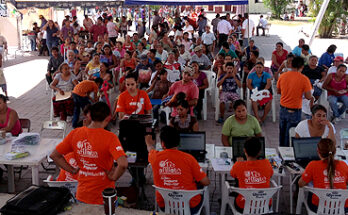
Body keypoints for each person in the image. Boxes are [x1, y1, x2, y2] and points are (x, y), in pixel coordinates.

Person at [50, 102, 128, 205]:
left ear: (90, 116)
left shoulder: (75, 133)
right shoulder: (110, 138)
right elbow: (123, 164)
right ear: (108, 119)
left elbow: (54, 155)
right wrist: (114, 177)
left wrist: (72, 170)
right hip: (105, 196)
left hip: (82, 194)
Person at [145, 126, 210, 214]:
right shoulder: (189, 158)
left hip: (164, 205)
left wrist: (148, 142)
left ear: (162, 143)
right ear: (179, 142)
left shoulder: (155, 157)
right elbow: (206, 182)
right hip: (190, 207)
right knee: (200, 184)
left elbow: (150, 149)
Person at [298, 138, 348, 213]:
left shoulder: (313, 165)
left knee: (311, 192)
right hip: (342, 208)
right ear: (335, 151)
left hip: (318, 208)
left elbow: (300, 184)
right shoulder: (343, 165)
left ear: (318, 152)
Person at [277, 56, 313, 147]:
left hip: (283, 108)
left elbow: (278, 91)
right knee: (293, 133)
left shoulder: (282, 76)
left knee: (283, 131)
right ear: (302, 67)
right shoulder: (304, 79)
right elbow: (308, 96)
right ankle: (291, 153)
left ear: (291, 65)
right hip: (295, 109)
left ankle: (282, 151)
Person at [230, 137, 273, 213]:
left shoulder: (238, 165)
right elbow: (271, 174)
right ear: (259, 152)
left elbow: (232, 174)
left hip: (243, 206)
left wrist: (239, 162)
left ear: (244, 151)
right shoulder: (267, 164)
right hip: (265, 205)